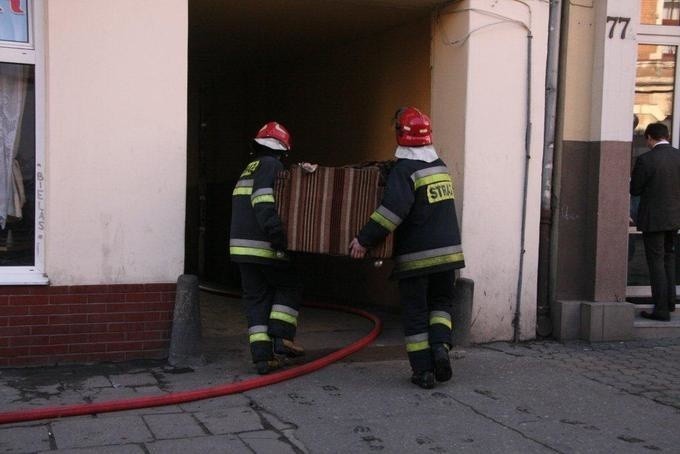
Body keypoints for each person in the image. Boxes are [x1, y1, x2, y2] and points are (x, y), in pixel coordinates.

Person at [349, 107, 465, 389]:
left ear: (401, 134)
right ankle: (441, 348)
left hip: (416, 258)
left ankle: (423, 372)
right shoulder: (439, 165)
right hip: (449, 255)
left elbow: (392, 211)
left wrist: (363, 240)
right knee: (441, 305)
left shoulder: (404, 170)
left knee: (415, 313)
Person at [230, 121, 304, 374]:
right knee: (289, 284)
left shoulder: (248, 168)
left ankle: (263, 358)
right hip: (263, 245)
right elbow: (262, 200)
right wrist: (278, 234)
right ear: (282, 149)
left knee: (256, 299)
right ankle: (282, 338)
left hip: (241, 249)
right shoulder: (271, 165)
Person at [630, 122, 680, 321]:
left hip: (653, 219)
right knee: (669, 258)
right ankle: (670, 302)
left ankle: (660, 309)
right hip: (674, 218)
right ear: (666, 136)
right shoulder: (678, 156)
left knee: (656, 262)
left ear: (650, 137)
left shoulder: (646, 160)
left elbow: (635, 190)